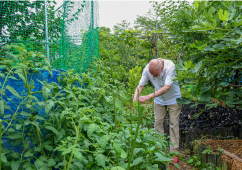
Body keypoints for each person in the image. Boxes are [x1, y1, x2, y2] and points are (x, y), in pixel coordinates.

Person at [133, 58, 182, 163]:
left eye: (156, 74)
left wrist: (148, 97)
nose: (154, 77)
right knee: (157, 123)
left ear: (162, 68)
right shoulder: (147, 69)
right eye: (152, 74)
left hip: (174, 99)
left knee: (173, 124)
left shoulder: (170, 66)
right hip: (159, 99)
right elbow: (140, 85)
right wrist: (135, 98)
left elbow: (166, 88)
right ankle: (159, 150)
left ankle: (174, 152)